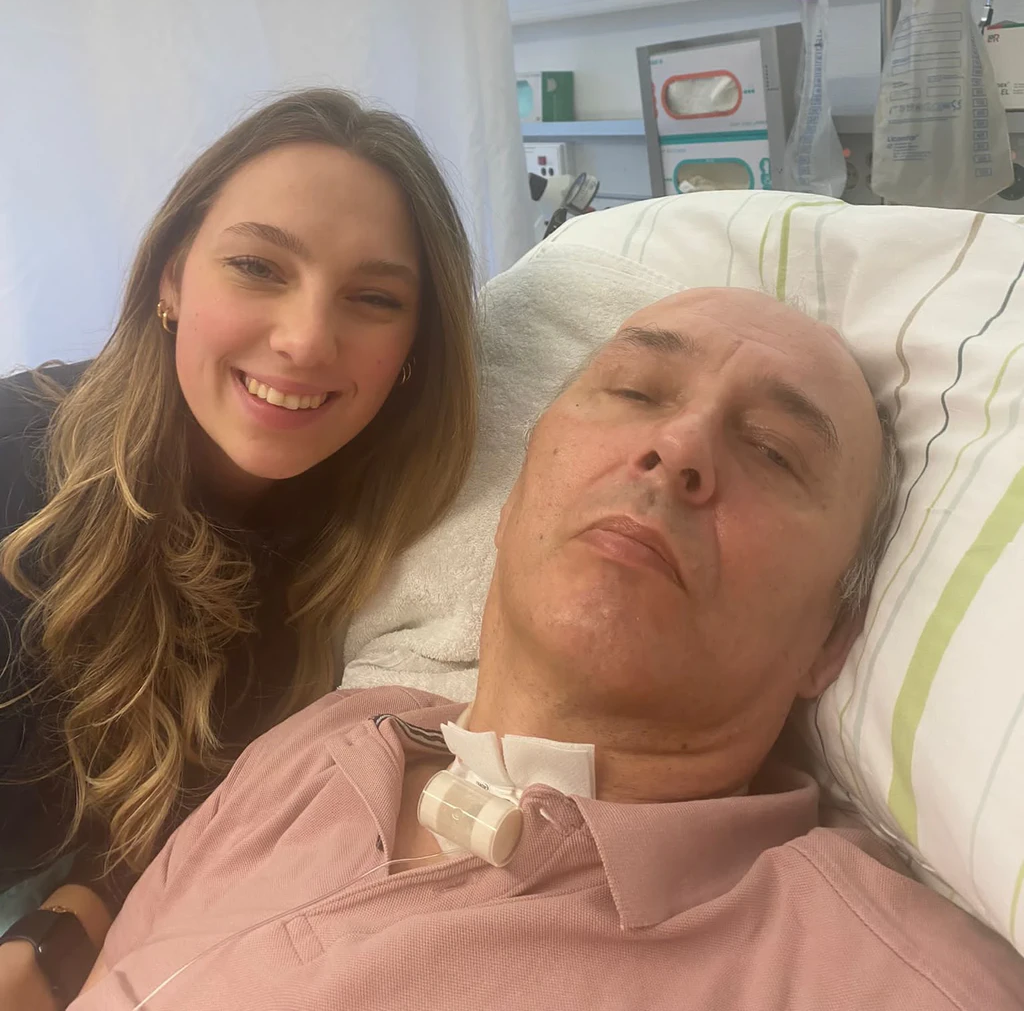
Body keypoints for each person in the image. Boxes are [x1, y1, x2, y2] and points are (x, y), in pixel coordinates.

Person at [71, 288, 1024, 1010]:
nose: (678, 445)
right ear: (513, 499)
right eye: (634, 390)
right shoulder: (328, 739)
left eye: (774, 450)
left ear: (831, 640)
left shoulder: (876, 980)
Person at [0, 89, 478, 1011]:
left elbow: (202, 816)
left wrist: (63, 932)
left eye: (374, 298)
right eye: (258, 266)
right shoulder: (19, 466)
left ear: (416, 348)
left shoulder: (378, 561)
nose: (304, 340)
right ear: (171, 278)